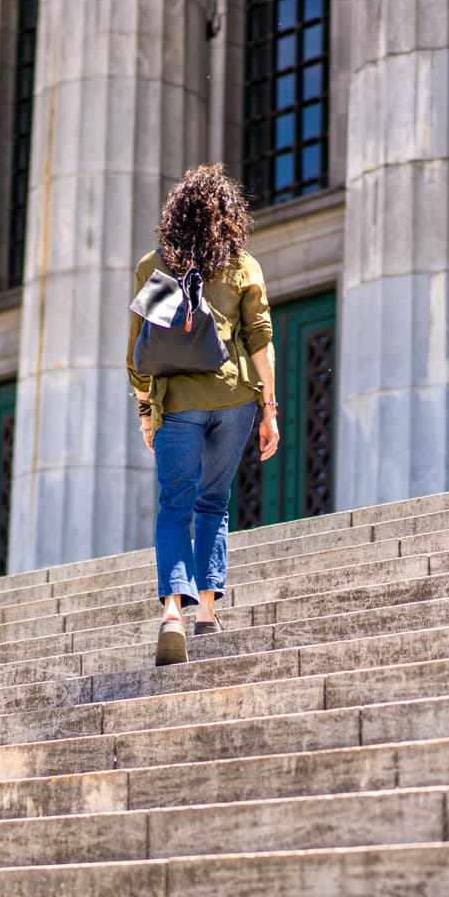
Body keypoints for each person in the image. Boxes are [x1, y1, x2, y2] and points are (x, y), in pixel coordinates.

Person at [127, 164, 280, 666]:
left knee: (175, 505)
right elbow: (260, 342)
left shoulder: (157, 265)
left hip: (178, 405)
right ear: (229, 217)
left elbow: (139, 354)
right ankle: (208, 614)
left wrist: (147, 411)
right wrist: (269, 409)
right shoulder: (243, 267)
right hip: (234, 399)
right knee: (213, 503)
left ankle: (173, 610)